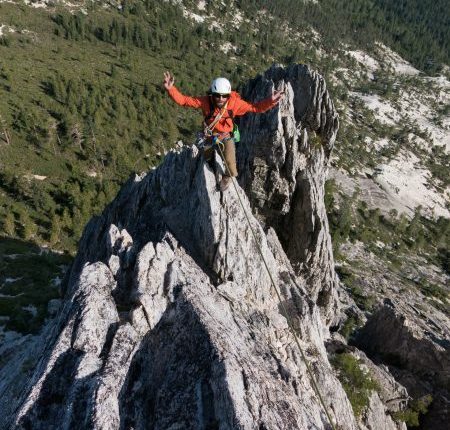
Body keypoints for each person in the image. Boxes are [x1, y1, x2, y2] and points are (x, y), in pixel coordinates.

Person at [163, 71, 284, 191]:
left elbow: (255, 108)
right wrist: (171, 89)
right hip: (209, 135)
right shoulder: (206, 101)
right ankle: (210, 165)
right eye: (217, 95)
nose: (221, 99)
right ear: (212, 94)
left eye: (224, 96)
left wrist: (271, 101)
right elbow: (184, 100)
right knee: (207, 158)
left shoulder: (235, 103)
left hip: (226, 135)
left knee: (231, 165)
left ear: (228, 95)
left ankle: (227, 178)